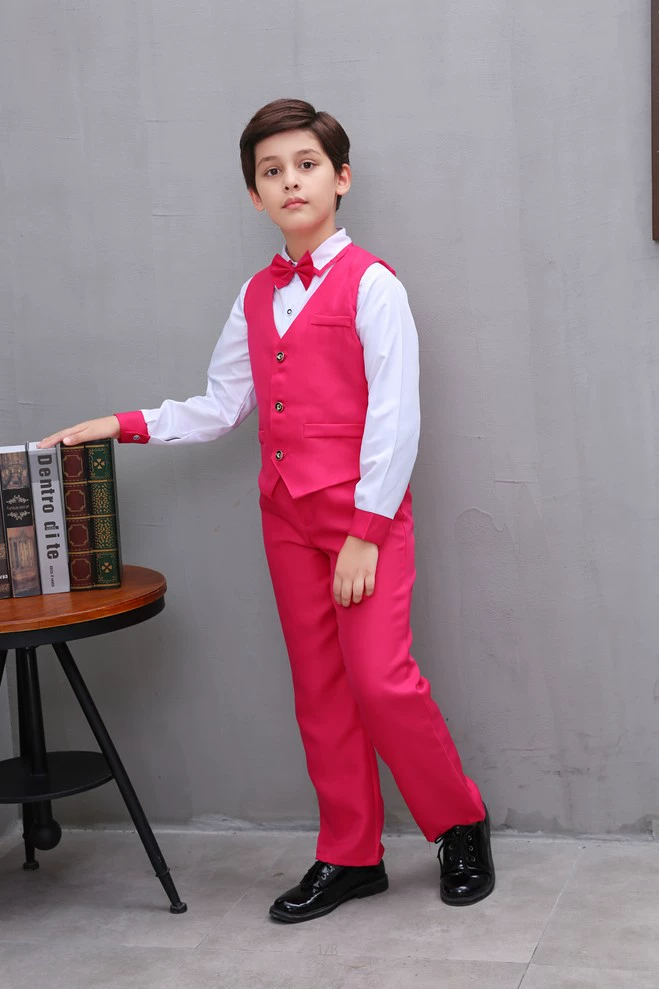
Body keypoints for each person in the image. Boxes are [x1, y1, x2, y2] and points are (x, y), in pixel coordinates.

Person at [39, 98, 495, 923]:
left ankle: (459, 822)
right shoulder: (256, 294)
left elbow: (396, 418)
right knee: (319, 691)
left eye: (306, 165)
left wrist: (365, 532)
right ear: (254, 194)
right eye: (271, 171)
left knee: (380, 680)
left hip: (359, 522)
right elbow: (221, 405)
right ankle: (350, 853)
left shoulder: (373, 285)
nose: (291, 181)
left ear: (340, 178)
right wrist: (123, 423)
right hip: (286, 519)